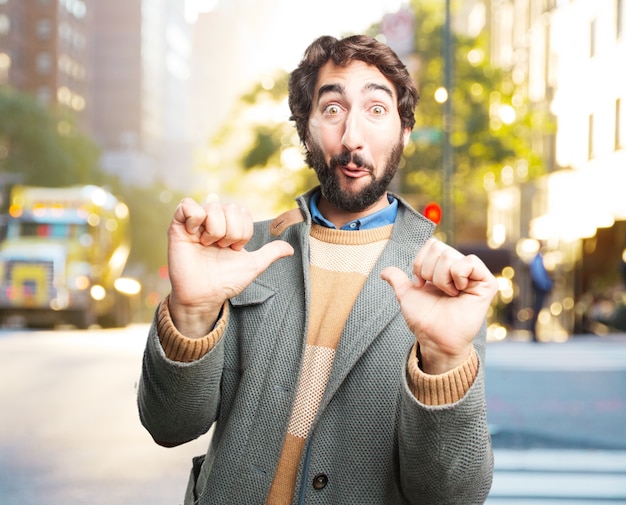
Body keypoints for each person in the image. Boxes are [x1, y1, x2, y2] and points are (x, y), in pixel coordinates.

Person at [137, 34, 498, 505]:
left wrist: (445, 362)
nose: (352, 138)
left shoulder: (446, 284)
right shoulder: (242, 252)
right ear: (305, 128)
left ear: (404, 130)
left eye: (376, 109)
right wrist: (190, 312)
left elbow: (452, 495)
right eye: (332, 110)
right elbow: (169, 425)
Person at [529, 246, 553, 342]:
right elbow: (539, 276)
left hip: (540, 287)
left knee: (537, 310)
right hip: (540, 288)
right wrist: (547, 285)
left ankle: (534, 332)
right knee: (536, 310)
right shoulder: (538, 260)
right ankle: (533, 332)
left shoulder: (538, 260)